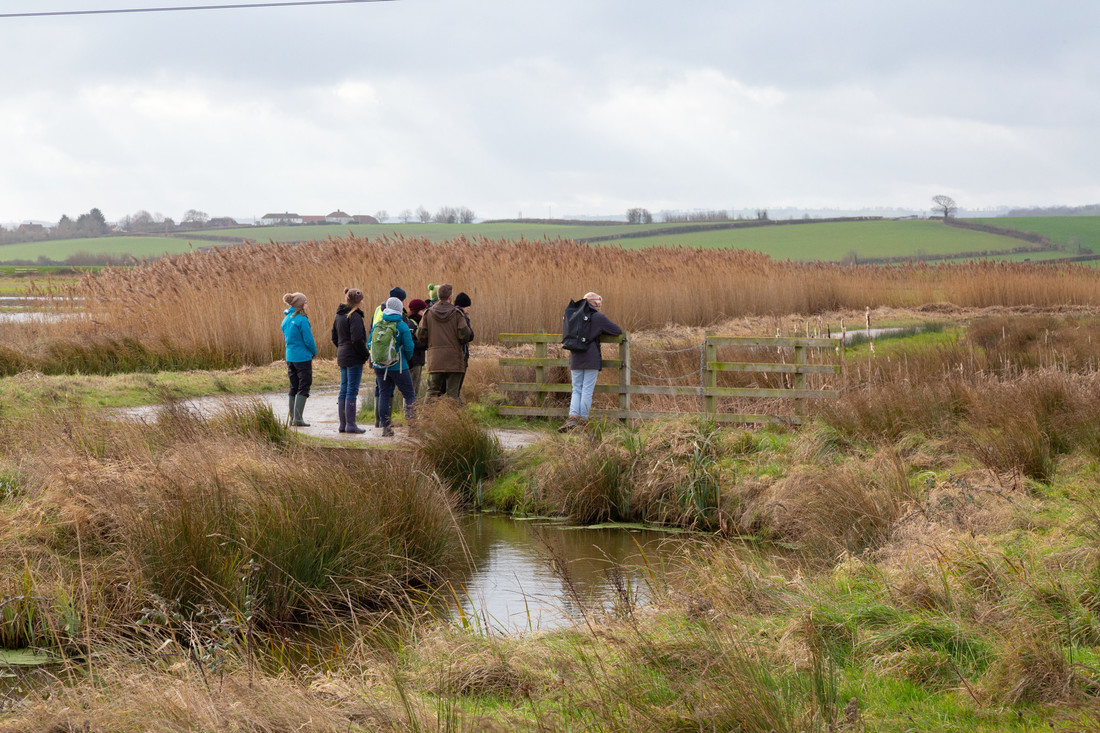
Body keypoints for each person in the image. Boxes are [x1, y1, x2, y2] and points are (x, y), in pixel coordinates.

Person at [561, 291, 621, 432]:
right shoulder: (598, 317)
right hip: (591, 358)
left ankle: (572, 418)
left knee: (576, 389)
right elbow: (616, 330)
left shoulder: (573, 315)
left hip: (575, 357)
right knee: (587, 390)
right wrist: (600, 331)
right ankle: (583, 421)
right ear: (596, 305)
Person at [368, 296, 416, 437]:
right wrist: (404, 360)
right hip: (399, 366)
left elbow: (369, 343)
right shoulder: (402, 326)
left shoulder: (379, 324)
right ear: (399, 309)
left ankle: (386, 428)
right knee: (409, 395)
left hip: (379, 366)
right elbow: (409, 347)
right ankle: (413, 428)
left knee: (384, 394)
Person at [417, 283, 473, 400]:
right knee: (452, 394)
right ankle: (449, 417)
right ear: (450, 297)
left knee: (432, 391)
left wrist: (432, 344)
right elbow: (465, 335)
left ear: (438, 295)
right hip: (454, 359)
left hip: (435, 358)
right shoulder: (457, 314)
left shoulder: (428, 314)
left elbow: (420, 335)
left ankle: (427, 417)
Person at [331, 287, 368, 433]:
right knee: (352, 390)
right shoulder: (355, 316)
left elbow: (334, 337)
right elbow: (357, 339)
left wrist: (341, 348)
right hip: (353, 357)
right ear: (358, 301)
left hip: (342, 355)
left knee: (344, 389)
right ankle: (351, 425)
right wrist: (365, 354)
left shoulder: (339, 316)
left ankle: (343, 424)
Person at [281, 291, 317, 428]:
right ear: (301, 305)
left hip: (290, 357)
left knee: (293, 386)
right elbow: (308, 339)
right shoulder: (302, 320)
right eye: (306, 302)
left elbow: (285, 337)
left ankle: (292, 418)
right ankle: (298, 418)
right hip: (302, 358)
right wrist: (314, 351)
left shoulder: (286, 319)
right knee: (304, 385)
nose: (307, 304)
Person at [404, 298, 429, 400]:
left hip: (418, 360)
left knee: (415, 389)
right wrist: (425, 344)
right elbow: (411, 342)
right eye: (422, 311)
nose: (424, 313)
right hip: (413, 361)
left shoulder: (417, 323)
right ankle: (410, 414)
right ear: (417, 311)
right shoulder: (411, 324)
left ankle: (412, 412)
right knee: (412, 390)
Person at [454, 291, 474, 401]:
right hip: (461, 354)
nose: (469, 308)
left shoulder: (451, 314)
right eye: (467, 306)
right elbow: (469, 335)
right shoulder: (462, 317)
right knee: (456, 387)